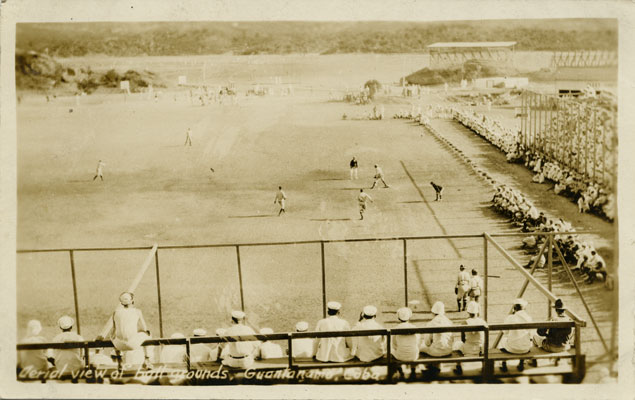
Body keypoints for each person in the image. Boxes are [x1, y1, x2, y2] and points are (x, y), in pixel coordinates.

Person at [101, 292, 153, 371]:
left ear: (121, 303)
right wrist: (143, 332)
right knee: (147, 335)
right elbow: (145, 328)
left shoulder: (115, 312)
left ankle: (119, 361)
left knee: (113, 335)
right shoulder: (137, 311)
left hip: (119, 345)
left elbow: (114, 330)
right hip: (133, 344)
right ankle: (147, 360)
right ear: (132, 301)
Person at [498, 298, 533, 372]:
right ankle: (521, 363)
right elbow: (531, 333)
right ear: (524, 308)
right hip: (525, 348)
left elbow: (505, 332)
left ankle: (503, 363)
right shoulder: (528, 318)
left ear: (514, 308)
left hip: (512, 348)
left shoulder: (510, 318)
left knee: (503, 339)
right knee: (524, 339)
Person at [453, 301, 486, 374]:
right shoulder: (483, 322)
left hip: (468, 348)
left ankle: (458, 365)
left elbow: (462, 339)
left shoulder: (464, 322)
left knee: (456, 344)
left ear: (468, 312)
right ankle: (484, 366)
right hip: (480, 349)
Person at [391, 307, 420, 380]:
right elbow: (417, 341)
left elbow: (394, 345)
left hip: (400, 356)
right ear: (409, 317)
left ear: (399, 318)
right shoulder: (414, 327)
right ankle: (413, 371)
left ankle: (400, 371)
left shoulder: (395, 329)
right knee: (415, 348)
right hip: (413, 356)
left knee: (391, 351)